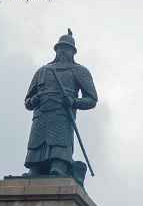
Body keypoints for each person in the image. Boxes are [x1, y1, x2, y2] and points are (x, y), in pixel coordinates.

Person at [24, 30, 97, 183]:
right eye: (60, 48)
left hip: (61, 115)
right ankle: (35, 168)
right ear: (56, 50)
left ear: (73, 52)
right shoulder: (42, 71)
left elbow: (92, 99)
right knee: (37, 143)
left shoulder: (79, 71)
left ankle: (59, 165)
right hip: (41, 115)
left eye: (67, 48)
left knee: (59, 143)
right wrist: (34, 100)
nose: (63, 51)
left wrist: (73, 102)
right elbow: (27, 102)